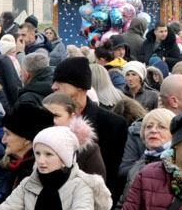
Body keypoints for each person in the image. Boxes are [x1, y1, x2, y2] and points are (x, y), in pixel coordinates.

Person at [51, 57, 129, 199]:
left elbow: (112, 175)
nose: (53, 86)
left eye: (60, 82)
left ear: (80, 86)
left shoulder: (113, 124)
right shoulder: (46, 118)